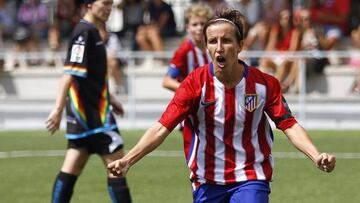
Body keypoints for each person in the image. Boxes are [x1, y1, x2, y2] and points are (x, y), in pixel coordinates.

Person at [108, 8, 336, 203]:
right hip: (207, 180)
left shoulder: (265, 85)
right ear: (206, 46)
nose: (219, 47)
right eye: (213, 41)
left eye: (226, 40)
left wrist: (316, 155)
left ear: (240, 46)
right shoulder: (194, 84)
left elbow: (289, 124)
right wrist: (129, 160)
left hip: (251, 176)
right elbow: (162, 127)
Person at [45, 1, 132, 202]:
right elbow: (68, 73)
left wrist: (111, 99)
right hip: (94, 117)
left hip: (92, 113)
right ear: (89, 4)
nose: (108, 8)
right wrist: (57, 109)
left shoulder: (92, 31)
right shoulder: (84, 32)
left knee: (72, 168)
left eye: (111, 4)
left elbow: (92, 77)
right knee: (117, 167)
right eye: (104, 3)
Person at [162, 2, 213, 92]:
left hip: (211, 103)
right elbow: (167, 81)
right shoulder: (184, 50)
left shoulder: (215, 48)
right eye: (195, 24)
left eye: (202, 24)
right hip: (191, 104)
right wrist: (190, 90)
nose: (199, 28)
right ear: (187, 27)